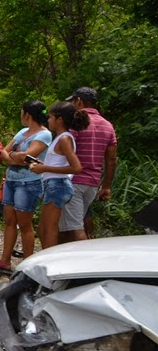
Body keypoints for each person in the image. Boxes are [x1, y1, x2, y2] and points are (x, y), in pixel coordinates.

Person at [0, 100, 52, 270]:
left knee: (25, 224)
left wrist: (13, 157)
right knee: (9, 220)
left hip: (28, 182)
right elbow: (5, 152)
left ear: (27, 114)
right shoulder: (23, 132)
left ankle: (27, 265)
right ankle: (5, 260)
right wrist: (14, 158)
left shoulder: (44, 135)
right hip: (11, 180)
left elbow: (27, 157)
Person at [59, 87, 117, 243]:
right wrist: (106, 186)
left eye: (73, 101)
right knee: (66, 226)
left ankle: (82, 261)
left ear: (79, 101)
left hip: (74, 181)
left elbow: (66, 150)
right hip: (92, 184)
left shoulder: (77, 122)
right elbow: (111, 159)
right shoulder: (108, 125)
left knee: (75, 228)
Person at [30, 101, 89, 249]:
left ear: (59, 120)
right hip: (53, 185)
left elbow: (76, 167)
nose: (48, 121)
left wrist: (44, 168)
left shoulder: (64, 139)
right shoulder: (59, 137)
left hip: (58, 185)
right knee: (42, 229)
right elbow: (59, 162)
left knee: (49, 229)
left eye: (50, 117)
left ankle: (49, 266)